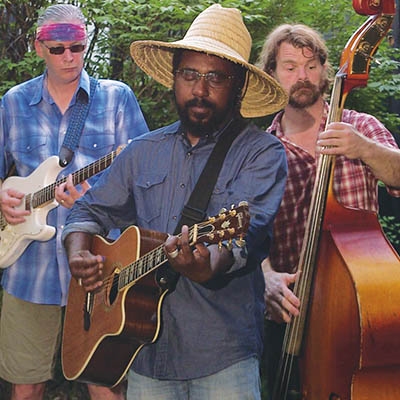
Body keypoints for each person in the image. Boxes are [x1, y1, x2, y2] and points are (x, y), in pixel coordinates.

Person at [61, 4, 289, 400]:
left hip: (222, 355)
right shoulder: (141, 150)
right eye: (189, 75)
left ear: (237, 86)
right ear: (174, 77)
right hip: (145, 354)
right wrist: (79, 253)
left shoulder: (261, 153)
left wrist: (206, 265)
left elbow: (244, 235)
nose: (199, 90)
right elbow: (89, 210)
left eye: (215, 78)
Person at [0, 4, 148, 400]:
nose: (70, 57)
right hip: (29, 271)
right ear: (38, 48)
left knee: (105, 385)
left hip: (99, 267)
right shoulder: (12, 103)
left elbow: (146, 179)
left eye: (78, 47)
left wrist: (97, 199)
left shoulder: (117, 98)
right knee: (25, 385)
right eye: (59, 48)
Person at [256, 23, 400, 395]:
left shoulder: (359, 126)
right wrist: (265, 277)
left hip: (358, 307)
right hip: (288, 315)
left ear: (325, 70)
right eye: (289, 67)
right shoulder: (260, 151)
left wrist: (365, 149)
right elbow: (245, 231)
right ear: (271, 74)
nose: (302, 76)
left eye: (311, 65)